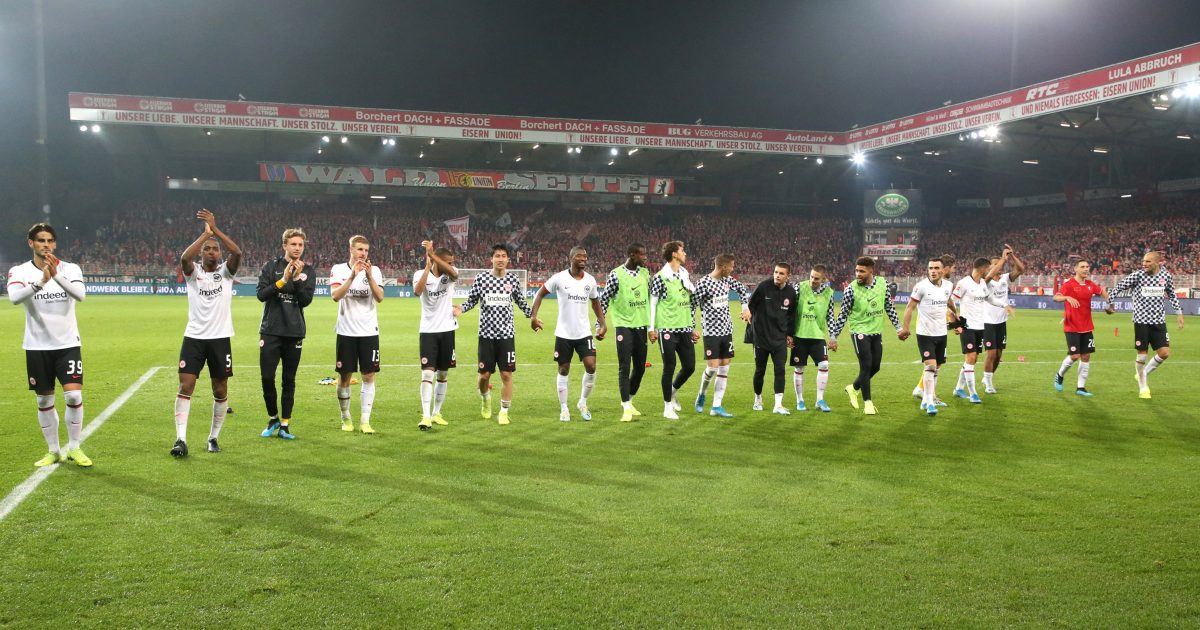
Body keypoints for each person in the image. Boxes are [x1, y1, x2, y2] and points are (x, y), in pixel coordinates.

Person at [7, 223, 92, 467]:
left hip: (67, 344)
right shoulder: (20, 271)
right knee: (44, 401)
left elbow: (80, 295)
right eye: (41, 240)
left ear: (54, 244)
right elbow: (14, 298)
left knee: (74, 395)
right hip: (36, 346)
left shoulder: (70, 268)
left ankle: (74, 448)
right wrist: (40, 283)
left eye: (49, 241)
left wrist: (55, 275)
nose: (46, 245)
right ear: (31, 243)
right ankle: (53, 451)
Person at [172, 209, 241, 457]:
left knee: (220, 390)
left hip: (220, 339)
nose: (212, 251)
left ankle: (213, 437)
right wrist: (205, 235)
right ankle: (180, 439)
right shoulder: (194, 274)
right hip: (194, 338)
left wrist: (216, 230)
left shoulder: (226, 273)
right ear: (202, 253)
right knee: (185, 385)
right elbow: (184, 258)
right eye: (207, 249)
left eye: (215, 249)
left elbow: (238, 252)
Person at [456, 244, 533, 425]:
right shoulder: (482, 279)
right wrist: (461, 308)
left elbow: (521, 303)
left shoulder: (513, 280)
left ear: (508, 259)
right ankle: (485, 398)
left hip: (506, 335)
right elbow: (472, 300)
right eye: (497, 255)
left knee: (506, 375)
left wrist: (533, 316)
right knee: (484, 376)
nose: (500, 259)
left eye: (503, 256)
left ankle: (504, 412)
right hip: (486, 334)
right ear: (491, 259)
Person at [531, 247, 606, 422]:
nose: (583, 259)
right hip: (564, 333)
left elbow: (595, 302)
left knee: (591, 366)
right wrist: (533, 316)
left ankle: (583, 402)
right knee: (563, 369)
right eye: (579, 256)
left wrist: (603, 323)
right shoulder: (559, 278)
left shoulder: (590, 280)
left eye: (585, 256)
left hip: (584, 333)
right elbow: (540, 294)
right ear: (570, 258)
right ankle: (564, 408)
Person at [257, 228, 316, 439]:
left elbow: (306, 301)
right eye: (293, 244)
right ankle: (273, 418)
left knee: (288, 380)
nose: (297, 248)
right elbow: (261, 295)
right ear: (285, 246)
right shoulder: (271, 267)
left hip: (294, 332)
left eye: (300, 245)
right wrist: (283, 280)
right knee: (266, 377)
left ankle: (285, 425)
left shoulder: (308, 270)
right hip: (271, 331)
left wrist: (298, 279)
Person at [829, 256, 908, 415]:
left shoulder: (882, 284)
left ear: (871, 270)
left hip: (876, 331)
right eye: (857, 270)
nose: (858, 274)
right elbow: (843, 314)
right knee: (866, 365)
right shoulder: (851, 289)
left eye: (862, 271)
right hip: (859, 330)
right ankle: (868, 403)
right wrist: (833, 337)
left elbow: (889, 307)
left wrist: (898, 328)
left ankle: (853, 388)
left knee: (875, 366)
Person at [1108, 251, 1185, 398]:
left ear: (1157, 262)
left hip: (1159, 321)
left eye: (1148, 261)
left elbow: (1172, 295)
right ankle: (1143, 387)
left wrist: (1179, 313)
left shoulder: (1165, 276)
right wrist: (1111, 303)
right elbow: (1118, 287)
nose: (1144, 264)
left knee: (1164, 353)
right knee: (1142, 355)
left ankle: (1142, 373)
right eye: (1143, 261)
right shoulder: (1138, 275)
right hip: (1141, 321)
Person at [330, 235, 384, 433]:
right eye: (360, 249)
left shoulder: (375, 271)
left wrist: (368, 276)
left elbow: (380, 298)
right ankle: (345, 418)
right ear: (351, 249)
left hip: (369, 332)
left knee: (369, 376)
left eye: (366, 250)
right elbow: (335, 296)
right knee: (344, 377)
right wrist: (352, 276)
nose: (363, 254)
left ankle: (365, 420)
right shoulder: (339, 269)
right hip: (346, 332)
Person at [692, 253, 751, 418]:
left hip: (727, 330)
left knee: (725, 366)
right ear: (724, 266)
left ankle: (716, 406)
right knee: (712, 368)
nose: (732, 269)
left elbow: (742, 289)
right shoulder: (704, 283)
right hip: (711, 331)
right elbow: (692, 305)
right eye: (731, 266)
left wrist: (745, 307)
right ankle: (702, 393)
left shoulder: (727, 280)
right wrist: (692, 327)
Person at [599, 243, 651, 422]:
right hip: (623, 325)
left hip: (641, 325)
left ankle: (629, 400)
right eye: (641, 254)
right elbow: (604, 299)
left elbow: (650, 298)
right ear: (631, 255)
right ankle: (626, 407)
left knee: (640, 368)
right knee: (624, 366)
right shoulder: (616, 275)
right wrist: (600, 323)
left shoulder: (645, 274)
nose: (645, 257)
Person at [647, 240, 697, 420]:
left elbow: (690, 303)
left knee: (690, 366)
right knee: (669, 366)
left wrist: (692, 327)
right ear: (674, 254)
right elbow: (652, 304)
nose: (685, 253)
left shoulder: (685, 275)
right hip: (667, 329)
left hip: (684, 329)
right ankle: (667, 407)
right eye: (682, 250)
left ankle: (673, 391)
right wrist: (651, 329)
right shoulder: (660, 278)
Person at [900, 257, 957, 416]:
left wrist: (956, 316)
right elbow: (909, 307)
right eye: (930, 268)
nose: (933, 271)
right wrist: (905, 327)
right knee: (930, 366)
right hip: (925, 333)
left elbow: (949, 301)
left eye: (936, 268)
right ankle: (930, 402)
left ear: (942, 270)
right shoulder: (921, 287)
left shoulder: (948, 285)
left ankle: (926, 398)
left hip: (941, 333)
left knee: (937, 367)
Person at [413, 241, 458, 430]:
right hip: (428, 331)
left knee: (443, 373)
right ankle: (425, 416)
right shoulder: (419, 274)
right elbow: (417, 291)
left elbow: (454, 273)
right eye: (448, 261)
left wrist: (435, 257)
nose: (451, 264)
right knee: (427, 372)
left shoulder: (451, 274)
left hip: (447, 330)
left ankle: (437, 412)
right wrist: (428, 265)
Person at [1053, 260, 1114, 396]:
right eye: (1082, 267)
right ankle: (1060, 375)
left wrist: (1110, 304)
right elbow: (1056, 298)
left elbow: (1102, 291)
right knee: (1075, 355)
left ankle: (1080, 388)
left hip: (1086, 326)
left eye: (1087, 267)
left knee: (1086, 356)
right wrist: (1067, 297)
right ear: (1075, 269)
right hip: (1072, 326)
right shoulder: (1069, 284)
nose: (1086, 269)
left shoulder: (1090, 284)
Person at [951, 257, 1005, 404]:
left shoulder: (982, 283)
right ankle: (973, 393)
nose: (988, 271)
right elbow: (951, 302)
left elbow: (990, 299)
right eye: (987, 268)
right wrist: (956, 324)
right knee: (971, 358)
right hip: (967, 327)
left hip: (980, 327)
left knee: (972, 359)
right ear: (982, 268)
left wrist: (1004, 305)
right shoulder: (963, 283)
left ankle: (958, 388)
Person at [746, 263, 798, 415]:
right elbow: (750, 306)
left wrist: (789, 334)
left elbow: (792, 315)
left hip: (779, 338)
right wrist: (750, 319)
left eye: (781, 273)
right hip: (761, 337)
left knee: (780, 370)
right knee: (760, 370)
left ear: (788, 276)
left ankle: (778, 405)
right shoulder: (763, 287)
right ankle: (757, 399)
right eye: (776, 272)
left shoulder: (791, 292)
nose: (777, 275)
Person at [791, 264, 837, 413]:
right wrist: (788, 334)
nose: (812, 280)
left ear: (823, 279)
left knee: (824, 365)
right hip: (800, 335)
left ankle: (819, 400)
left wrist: (833, 337)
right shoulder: (800, 288)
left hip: (817, 336)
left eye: (816, 278)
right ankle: (800, 401)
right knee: (799, 368)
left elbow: (830, 316)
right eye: (811, 277)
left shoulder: (828, 293)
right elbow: (790, 311)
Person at [981, 246, 1024, 393]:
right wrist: (1003, 259)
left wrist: (1011, 256)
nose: (998, 266)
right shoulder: (984, 281)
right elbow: (991, 272)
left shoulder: (1005, 278)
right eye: (994, 264)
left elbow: (1021, 269)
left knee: (999, 355)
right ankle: (988, 383)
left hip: (1001, 321)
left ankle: (988, 377)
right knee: (991, 353)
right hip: (987, 321)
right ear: (989, 267)